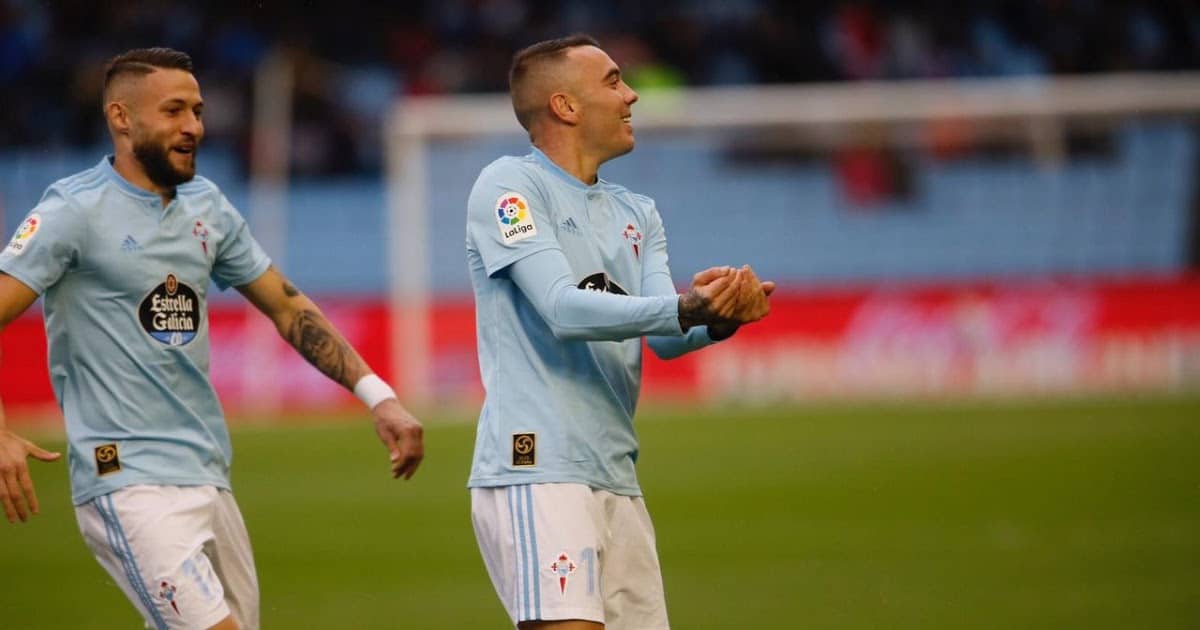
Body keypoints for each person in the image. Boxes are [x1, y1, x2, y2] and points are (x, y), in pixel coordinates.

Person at [0, 47, 424, 630]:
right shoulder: (73, 211)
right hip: (126, 480)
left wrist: (379, 396)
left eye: (197, 111)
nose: (193, 126)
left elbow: (286, 305)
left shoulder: (206, 205)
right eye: (174, 110)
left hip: (206, 473)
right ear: (121, 118)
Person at [465, 34, 774, 630]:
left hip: (615, 471)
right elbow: (561, 308)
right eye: (613, 81)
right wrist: (685, 308)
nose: (631, 95)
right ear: (565, 106)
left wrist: (719, 317)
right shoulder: (509, 187)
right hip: (538, 465)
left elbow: (664, 336)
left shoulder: (638, 212)